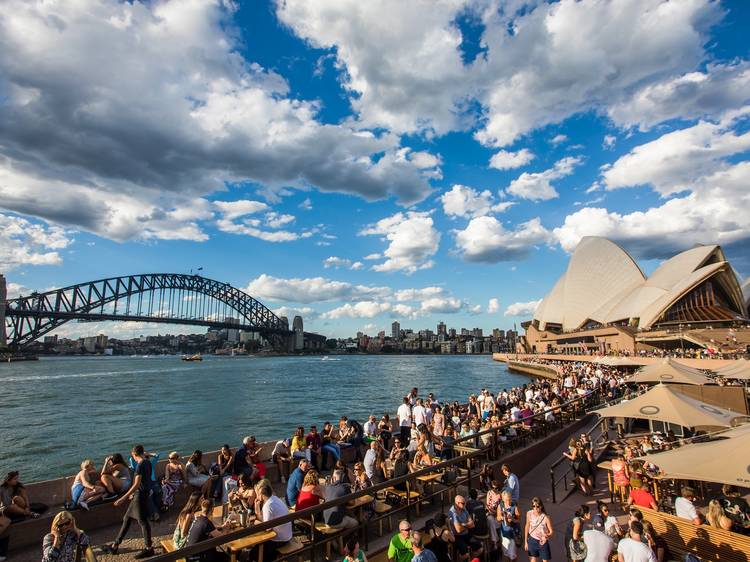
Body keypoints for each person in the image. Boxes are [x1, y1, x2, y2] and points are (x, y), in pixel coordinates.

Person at [103, 444, 154, 559]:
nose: (133, 458)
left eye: (133, 456)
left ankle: (149, 548)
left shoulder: (140, 466)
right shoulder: (148, 463)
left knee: (143, 522)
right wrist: (133, 493)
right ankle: (115, 545)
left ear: (134, 454)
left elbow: (136, 484)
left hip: (139, 496)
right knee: (127, 518)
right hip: (141, 494)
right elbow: (146, 481)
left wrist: (123, 497)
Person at [254, 480, 293, 561]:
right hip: (287, 535)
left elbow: (267, 528)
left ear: (261, 494)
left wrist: (257, 522)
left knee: (254, 552)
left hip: (280, 540)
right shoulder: (274, 499)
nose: (256, 496)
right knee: (257, 548)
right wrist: (257, 509)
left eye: (257, 494)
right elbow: (266, 521)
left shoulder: (267, 506)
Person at [448, 495, 477, 561]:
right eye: (463, 503)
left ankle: (471, 560)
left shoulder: (464, 509)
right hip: (457, 537)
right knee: (466, 554)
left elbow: (472, 524)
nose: (465, 505)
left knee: (480, 548)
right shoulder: (453, 513)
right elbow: (458, 530)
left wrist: (463, 524)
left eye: (465, 503)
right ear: (457, 503)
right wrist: (467, 525)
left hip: (466, 534)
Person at [524, 497, 553, 562]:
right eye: (533, 506)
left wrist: (547, 535)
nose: (535, 508)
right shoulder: (529, 513)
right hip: (532, 541)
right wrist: (526, 542)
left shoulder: (546, 517)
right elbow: (527, 526)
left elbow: (551, 531)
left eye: (537, 506)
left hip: (543, 542)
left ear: (541, 506)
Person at [497, 490, 520, 562]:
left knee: (512, 555)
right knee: (506, 553)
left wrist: (512, 519)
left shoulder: (514, 506)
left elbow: (518, 520)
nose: (508, 501)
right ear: (503, 499)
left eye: (509, 499)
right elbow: (498, 518)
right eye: (506, 500)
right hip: (504, 533)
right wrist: (501, 517)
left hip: (513, 533)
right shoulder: (500, 506)